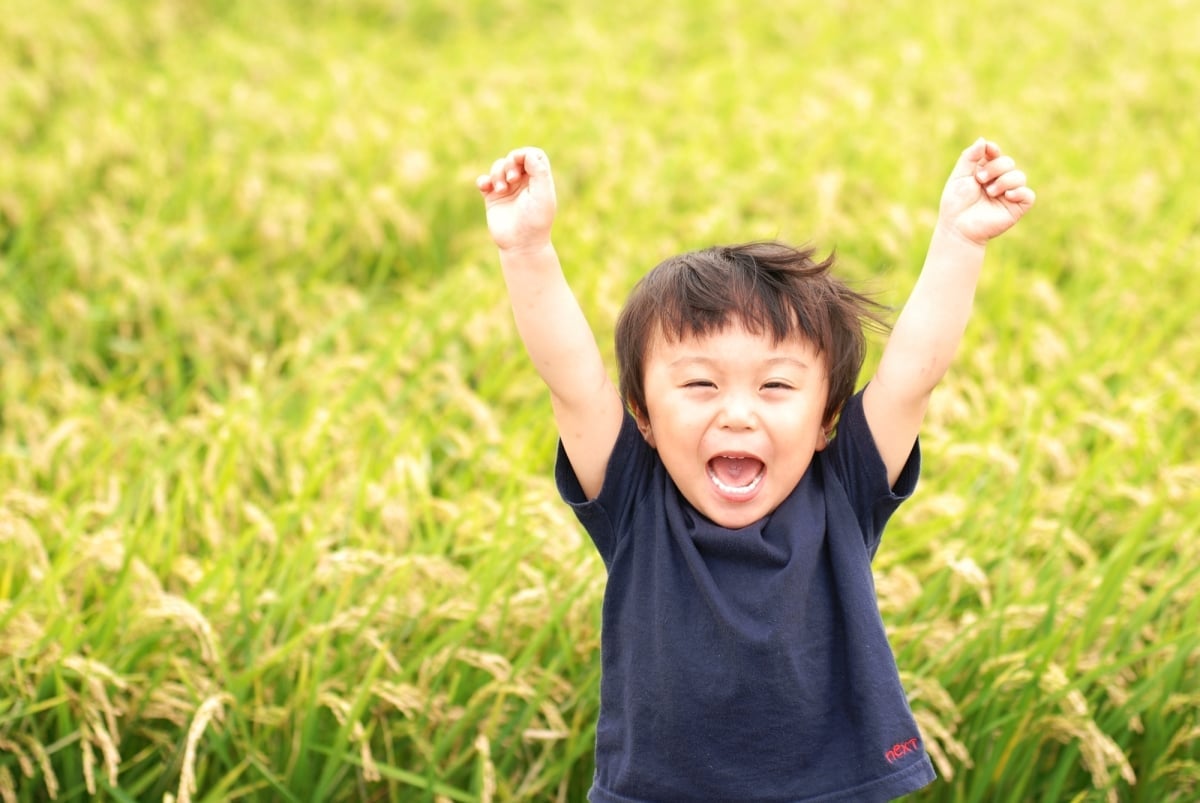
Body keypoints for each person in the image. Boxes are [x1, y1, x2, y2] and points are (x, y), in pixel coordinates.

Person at [476, 139, 1034, 802]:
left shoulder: (844, 483)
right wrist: (526, 249)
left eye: (775, 386)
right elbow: (571, 378)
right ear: (643, 417)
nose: (737, 414)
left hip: (833, 790)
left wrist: (959, 238)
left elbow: (914, 372)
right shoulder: (633, 496)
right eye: (701, 385)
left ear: (828, 415)